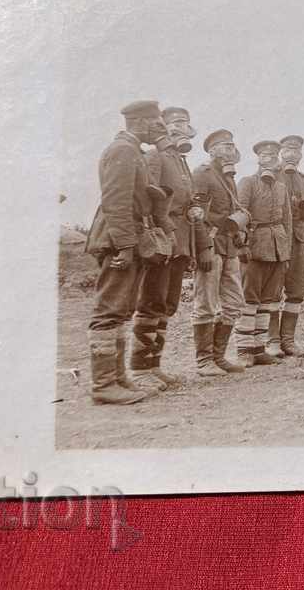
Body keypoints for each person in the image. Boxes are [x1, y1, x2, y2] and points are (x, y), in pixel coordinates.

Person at [83, 100, 168, 405]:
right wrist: (126, 246)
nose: (161, 128)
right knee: (109, 310)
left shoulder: (133, 151)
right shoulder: (122, 150)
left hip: (127, 238)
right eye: (157, 123)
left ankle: (117, 379)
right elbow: (115, 203)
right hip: (119, 240)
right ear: (141, 122)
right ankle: (103, 385)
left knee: (120, 310)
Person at [130, 106, 213, 391]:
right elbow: (147, 198)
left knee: (168, 303)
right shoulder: (155, 156)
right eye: (175, 122)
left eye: (186, 122)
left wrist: (199, 244)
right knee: (151, 299)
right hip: (161, 241)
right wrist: (154, 237)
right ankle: (140, 369)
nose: (181, 127)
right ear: (163, 127)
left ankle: (155, 365)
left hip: (181, 240)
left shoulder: (180, 160)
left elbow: (190, 206)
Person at [189, 129, 247, 376]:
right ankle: (204, 361)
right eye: (224, 145)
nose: (229, 149)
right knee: (206, 302)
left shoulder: (228, 176)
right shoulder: (203, 173)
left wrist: (239, 238)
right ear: (211, 150)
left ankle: (218, 356)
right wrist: (202, 248)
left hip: (229, 246)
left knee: (234, 301)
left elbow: (231, 211)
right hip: (211, 245)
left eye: (232, 145)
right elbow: (196, 214)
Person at [234, 141, 293, 365]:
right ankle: (244, 350)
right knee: (249, 299)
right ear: (258, 158)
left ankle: (259, 349)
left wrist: (285, 252)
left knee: (269, 300)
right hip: (255, 247)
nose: (270, 158)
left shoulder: (281, 187)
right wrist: (242, 246)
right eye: (265, 155)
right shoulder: (247, 182)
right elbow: (239, 216)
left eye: (274, 155)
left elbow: (286, 220)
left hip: (277, 248)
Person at [271, 134, 304, 356]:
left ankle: (288, 340)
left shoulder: (303, 180)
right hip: (276, 238)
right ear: (281, 152)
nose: (292, 155)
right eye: (288, 150)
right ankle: (272, 341)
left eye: (296, 151)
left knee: (297, 290)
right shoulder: (271, 174)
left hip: (298, 240)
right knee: (272, 290)